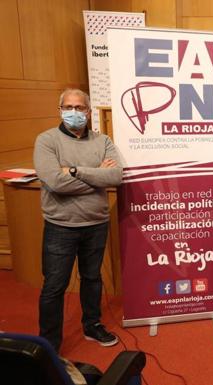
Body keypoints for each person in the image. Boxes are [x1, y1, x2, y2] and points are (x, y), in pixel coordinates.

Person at [33, 88, 122, 352]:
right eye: (69, 107)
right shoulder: (46, 140)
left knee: (92, 278)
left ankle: (92, 325)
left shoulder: (103, 141)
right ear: (60, 110)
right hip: (60, 225)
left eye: (80, 107)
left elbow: (115, 177)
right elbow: (55, 183)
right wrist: (96, 178)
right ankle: (49, 343)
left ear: (88, 110)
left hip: (95, 223)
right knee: (54, 286)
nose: (75, 112)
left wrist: (72, 170)